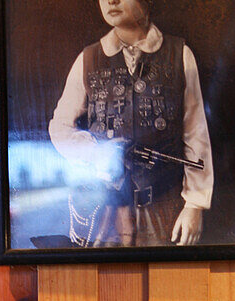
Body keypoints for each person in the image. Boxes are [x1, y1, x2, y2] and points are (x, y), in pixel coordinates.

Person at [48, 0, 213, 248]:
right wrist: (97, 152)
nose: (112, 1)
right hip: (107, 210)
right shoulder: (89, 58)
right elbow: (60, 127)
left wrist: (195, 205)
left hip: (164, 206)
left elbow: (196, 131)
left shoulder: (179, 54)